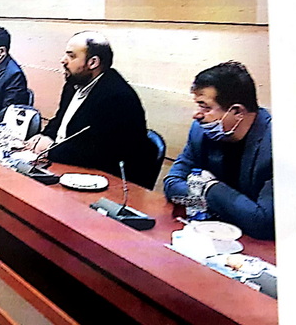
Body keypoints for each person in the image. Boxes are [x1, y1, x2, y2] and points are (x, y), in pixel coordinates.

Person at [27, 31, 154, 186]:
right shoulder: (73, 84)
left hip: (105, 180)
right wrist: (43, 136)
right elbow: (60, 120)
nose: (63, 60)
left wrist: (50, 149)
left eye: (71, 56)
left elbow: (97, 153)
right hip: (64, 167)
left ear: (93, 62)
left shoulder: (117, 97)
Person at [164, 62, 273, 239]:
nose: (197, 115)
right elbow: (172, 186)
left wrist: (211, 187)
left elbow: (263, 223)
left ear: (237, 111)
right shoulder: (200, 131)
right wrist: (206, 200)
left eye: (205, 107)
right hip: (209, 234)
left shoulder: (275, 146)